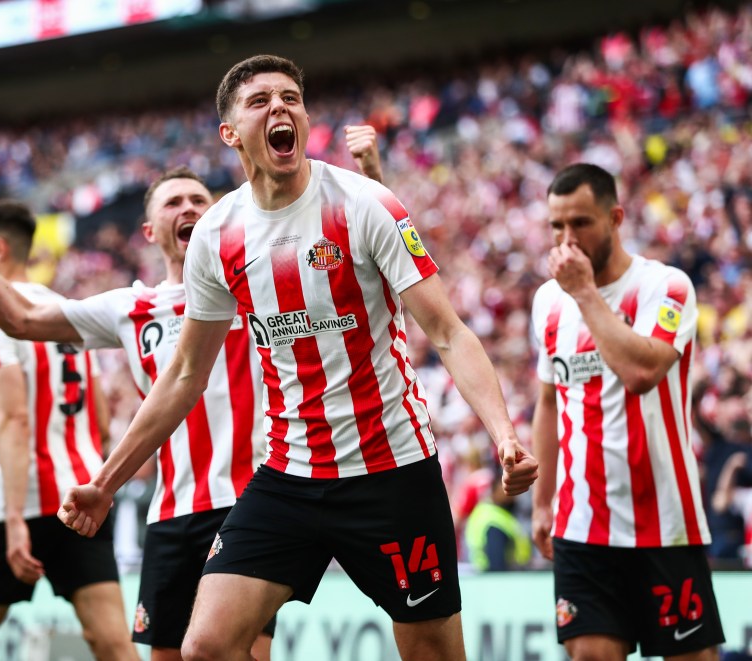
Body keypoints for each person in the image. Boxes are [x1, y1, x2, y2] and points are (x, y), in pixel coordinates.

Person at [57, 54, 537, 661]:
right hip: (291, 473)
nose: (280, 108)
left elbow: (448, 331)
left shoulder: (366, 205)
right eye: (260, 101)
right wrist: (104, 483)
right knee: (204, 646)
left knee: (432, 652)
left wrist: (502, 433)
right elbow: (182, 375)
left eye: (291, 98)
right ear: (231, 134)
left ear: (305, 117)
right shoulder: (218, 233)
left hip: (391, 470)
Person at [0, 126, 387, 661]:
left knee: (244, 654)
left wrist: (371, 176)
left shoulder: (257, 285)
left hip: (249, 506)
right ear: (149, 229)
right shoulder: (131, 310)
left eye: (198, 200)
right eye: (173, 202)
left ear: (218, 216)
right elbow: (21, 319)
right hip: (171, 512)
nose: (187, 207)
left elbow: (359, 265)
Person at [530, 163, 725, 660]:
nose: (566, 238)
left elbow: (642, 374)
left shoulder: (667, 287)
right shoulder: (547, 302)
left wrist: (586, 294)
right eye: (556, 225)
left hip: (666, 522)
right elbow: (550, 402)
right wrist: (542, 501)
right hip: (583, 526)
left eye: (581, 223)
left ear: (616, 217)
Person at [0, 200, 138, 661]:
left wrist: (13, 523)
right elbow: (103, 419)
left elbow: (13, 417)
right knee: (112, 644)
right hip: (80, 497)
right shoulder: (64, 310)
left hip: (20, 503)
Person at [464, 465, 531, 572]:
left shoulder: (494, 513)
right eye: (508, 487)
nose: (513, 494)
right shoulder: (493, 520)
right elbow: (497, 564)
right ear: (495, 490)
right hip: (498, 581)